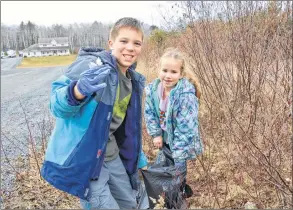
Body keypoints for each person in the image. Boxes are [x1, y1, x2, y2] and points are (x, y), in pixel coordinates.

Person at [41, 17, 148, 209]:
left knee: (130, 203)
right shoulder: (92, 66)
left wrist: (139, 159)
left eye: (136, 43)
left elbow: (129, 127)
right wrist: (77, 91)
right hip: (88, 157)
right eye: (124, 41)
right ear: (111, 43)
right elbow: (55, 106)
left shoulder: (133, 80)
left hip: (111, 154)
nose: (130, 48)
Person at [144, 47, 204, 208]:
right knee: (162, 168)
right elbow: (149, 113)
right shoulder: (154, 90)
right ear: (159, 70)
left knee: (177, 172)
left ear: (181, 74)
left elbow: (187, 127)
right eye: (165, 70)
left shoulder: (185, 94)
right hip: (164, 139)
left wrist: (179, 152)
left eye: (173, 72)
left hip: (180, 143)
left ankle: (177, 198)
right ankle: (165, 197)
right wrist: (156, 134)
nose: (168, 76)